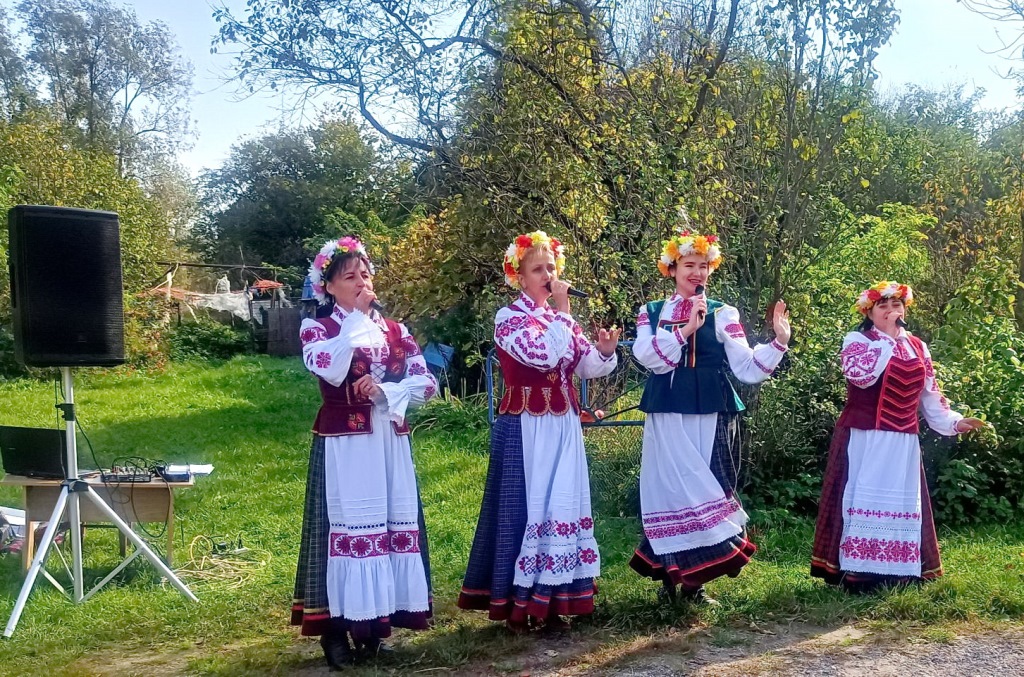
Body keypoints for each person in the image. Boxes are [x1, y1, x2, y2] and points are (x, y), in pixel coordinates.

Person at [458, 231, 621, 632]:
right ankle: (518, 604)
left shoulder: (560, 320)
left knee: (560, 504)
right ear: (519, 276)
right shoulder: (509, 318)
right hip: (525, 427)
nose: (548, 275)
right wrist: (564, 312)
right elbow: (542, 354)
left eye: (551, 267)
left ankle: (554, 601)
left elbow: (584, 365)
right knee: (525, 507)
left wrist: (604, 352)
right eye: (538, 269)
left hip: (562, 425)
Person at [292, 236, 438, 669]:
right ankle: (336, 629)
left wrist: (387, 391)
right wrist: (355, 319)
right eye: (349, 277)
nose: (361, 282)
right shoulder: (318, 328)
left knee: (388, 527)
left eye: (365, 274)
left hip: (389, 440)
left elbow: (426, 383)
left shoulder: (396, 330)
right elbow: (330, 369)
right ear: (328, 286)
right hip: (347, 446)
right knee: (347, 529)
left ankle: (374, 629)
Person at [630, 227, 791, 604]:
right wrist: (686, 329)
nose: (697, 273)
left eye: (703, 266)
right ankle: (670, 581)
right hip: (666, 411)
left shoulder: (722, 312)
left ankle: (694, 586)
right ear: (672, 269)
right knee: (670, 491)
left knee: (709, 488)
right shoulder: (650, 313)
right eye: (689, 265)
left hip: (711, 410)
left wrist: (779, 342)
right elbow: (648, 358)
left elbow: (747, 367)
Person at [811, 282, 986, 592]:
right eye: (883, 306)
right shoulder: (858, 341)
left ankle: (897, 573)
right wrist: (887, 340)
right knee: (863, 499)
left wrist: (955, 422)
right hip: (865, 438)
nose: (892, 311)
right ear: (869, 313)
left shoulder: (918, 346)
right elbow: (860, 377)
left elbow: (930, 395)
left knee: (900, 504)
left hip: (903, 442)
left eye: (897, 305)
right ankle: (858, 575)